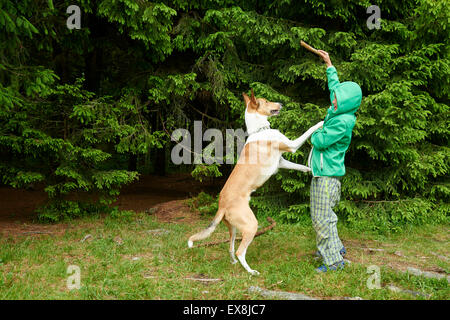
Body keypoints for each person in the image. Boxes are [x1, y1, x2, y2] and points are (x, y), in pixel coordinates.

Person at [307, 50, 362, 272]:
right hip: (330, 174)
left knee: (320, 219)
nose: (333, 100)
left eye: (338, 99)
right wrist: (328, 63)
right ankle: (336, 248)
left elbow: (320, 142)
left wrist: (314, 133)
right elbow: (335, 87)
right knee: (328, 216)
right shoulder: (342, 110)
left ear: (347, 103)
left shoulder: (342, 122)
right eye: (334, 98)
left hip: (326, 176)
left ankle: (333, 261)